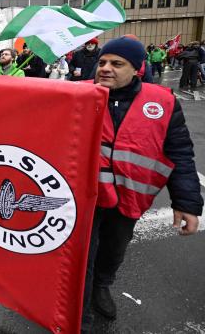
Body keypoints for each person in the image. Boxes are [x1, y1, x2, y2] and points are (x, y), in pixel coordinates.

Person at [81, 36, 203, 331]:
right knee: (83, 253)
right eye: (103, 62)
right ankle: (79, 305)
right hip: (87, 196)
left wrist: (186, 203)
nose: (106, 68)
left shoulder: (162, 102)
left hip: (130, 197)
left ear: (137, 68)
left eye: (117, 63)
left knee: (113, 249)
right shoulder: (77, 95)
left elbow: (180, 152)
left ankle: (102, 285)